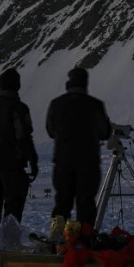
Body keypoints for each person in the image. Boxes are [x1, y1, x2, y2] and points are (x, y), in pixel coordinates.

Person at [0, 68, 39, 261]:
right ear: (16, 85)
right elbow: (23, 137)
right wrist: (32, 160)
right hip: (12, 166)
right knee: (13, 205)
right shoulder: (19, 107)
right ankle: (8, 247)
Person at [46, 67, 111, 239]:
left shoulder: (56, 104)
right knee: (86, 203)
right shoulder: (95, 105)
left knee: (62, 203)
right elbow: (105, 132)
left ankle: (56, 240)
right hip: (88, 163)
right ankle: (86, 241)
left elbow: (51, 130)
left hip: (62, 162)